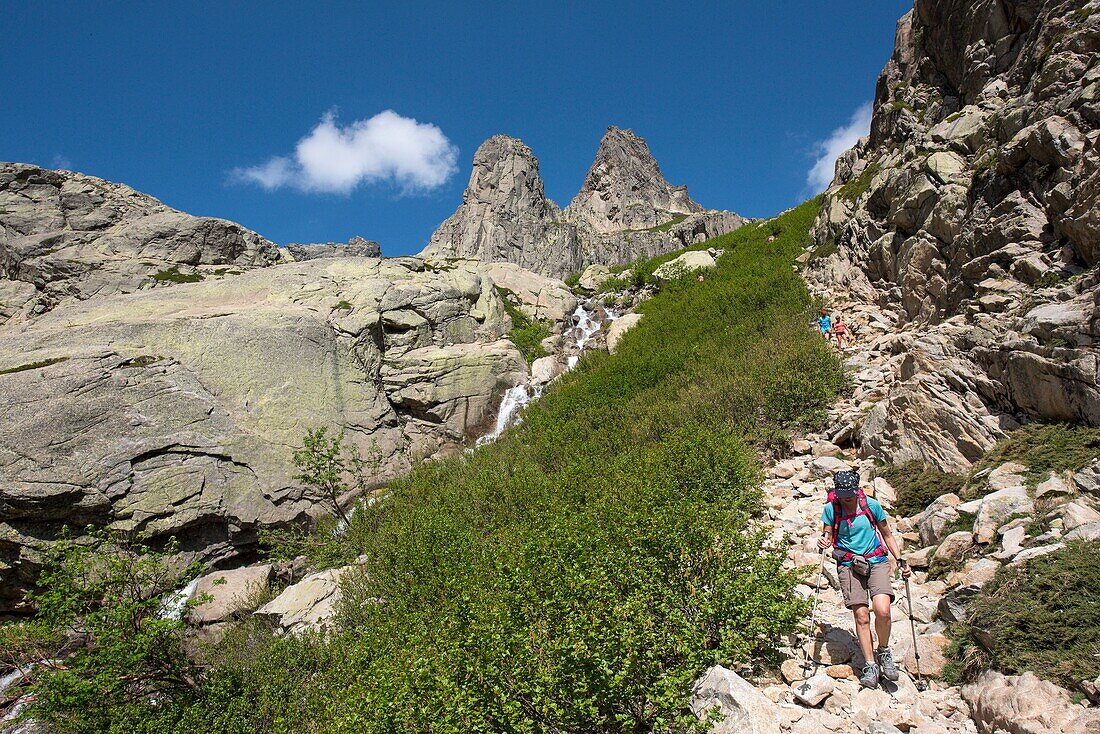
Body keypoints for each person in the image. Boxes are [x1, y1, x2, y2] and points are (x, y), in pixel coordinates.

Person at [817, 470, 911, 689]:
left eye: (850, 493)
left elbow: (887, 535)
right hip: (848, 563)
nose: (847, 498)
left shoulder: (871, 505)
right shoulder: (831, 509)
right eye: (842, 494)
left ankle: (884, 651)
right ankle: (870, 664)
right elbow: (827, 535)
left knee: (883, 609)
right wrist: (824, 541)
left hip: (876, 559)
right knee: (861, 616)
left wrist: (901, 559)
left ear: (857, 489)